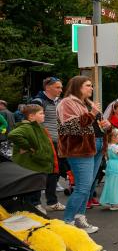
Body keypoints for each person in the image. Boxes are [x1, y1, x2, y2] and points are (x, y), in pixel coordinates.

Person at [58, 76, 110, 234]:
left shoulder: (86, 103)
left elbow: (92, 125)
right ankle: (67, 222)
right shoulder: (67, 102)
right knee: (82, 188)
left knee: (86, 188)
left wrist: (105, 125)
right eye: (88, 85)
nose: (91, 88)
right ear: (77, 87)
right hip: (79, 150)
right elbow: (69, 127)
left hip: (94, 147)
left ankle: (80, 218)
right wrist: (92, 114)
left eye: (91, 86)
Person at [8, 104, 59, 214]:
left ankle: (33, 205)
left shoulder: (37, 126)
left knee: (35, 185)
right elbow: (13, 134)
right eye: (41, 113)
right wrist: (28, 147)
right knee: (32, 186)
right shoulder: (27, 127)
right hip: (30, 163)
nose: (44, 115)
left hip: (36, 162)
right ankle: (32, 207)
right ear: (31, 116)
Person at [30, 77, 66, 211]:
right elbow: (32, 122)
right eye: (58, 87)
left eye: (61, 87)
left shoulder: (59, 102)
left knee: (54, 173)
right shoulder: (38, 101)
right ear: (48, 87)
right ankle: (35, 203)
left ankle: (52, 202)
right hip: (43, 143)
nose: (61, 90)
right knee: (40, 173)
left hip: (56, 143)